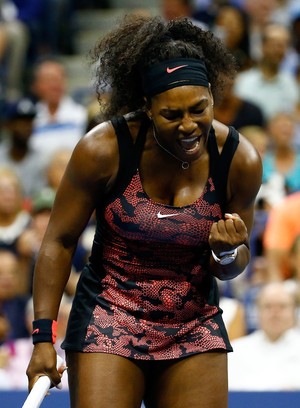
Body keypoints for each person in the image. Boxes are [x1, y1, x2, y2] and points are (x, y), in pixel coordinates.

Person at [26, 14, 262, 408]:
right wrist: (42, 338)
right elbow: (59, 242)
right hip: (109, 315)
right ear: (148, 108)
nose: (189, 126)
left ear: (211, 94)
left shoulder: (239, 160)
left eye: (199, 109)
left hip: (193, 324)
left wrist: (225, 250)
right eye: (172, 114)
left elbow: (231, 266)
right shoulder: (103, 150)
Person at [228, 281, 300, 391]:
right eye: (268, 306)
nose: (275, 313)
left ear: (293, 311)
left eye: (282, 306)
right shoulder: (236, 351)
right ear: (257, 311)